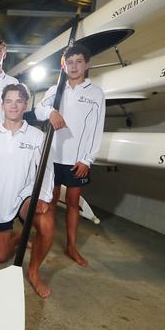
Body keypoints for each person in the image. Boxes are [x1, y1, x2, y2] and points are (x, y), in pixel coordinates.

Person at [0, 83, 55, 298]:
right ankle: (22, 235)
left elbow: (47, 171)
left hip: (25, 197)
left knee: (47, 225)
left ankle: (33, 271)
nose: (14, 106)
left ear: (26, 105)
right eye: (9, 101)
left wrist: (43, 198)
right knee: (0, 257)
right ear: (2, 105)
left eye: (19, 101)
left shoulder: (37, 137)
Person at [34, 43, 105, 268]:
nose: (74, 66)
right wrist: (51, 111)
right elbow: (37, 110)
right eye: (70, 62)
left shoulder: (95, 93)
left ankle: (71, 246)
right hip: (54, 157)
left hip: (76, 160)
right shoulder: (56, 91)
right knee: (51, 200)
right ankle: (47, 240)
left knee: (73, 203)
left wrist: (87, 159)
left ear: (87, 64)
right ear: (65, 65)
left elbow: (97, 128)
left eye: (79, 62)